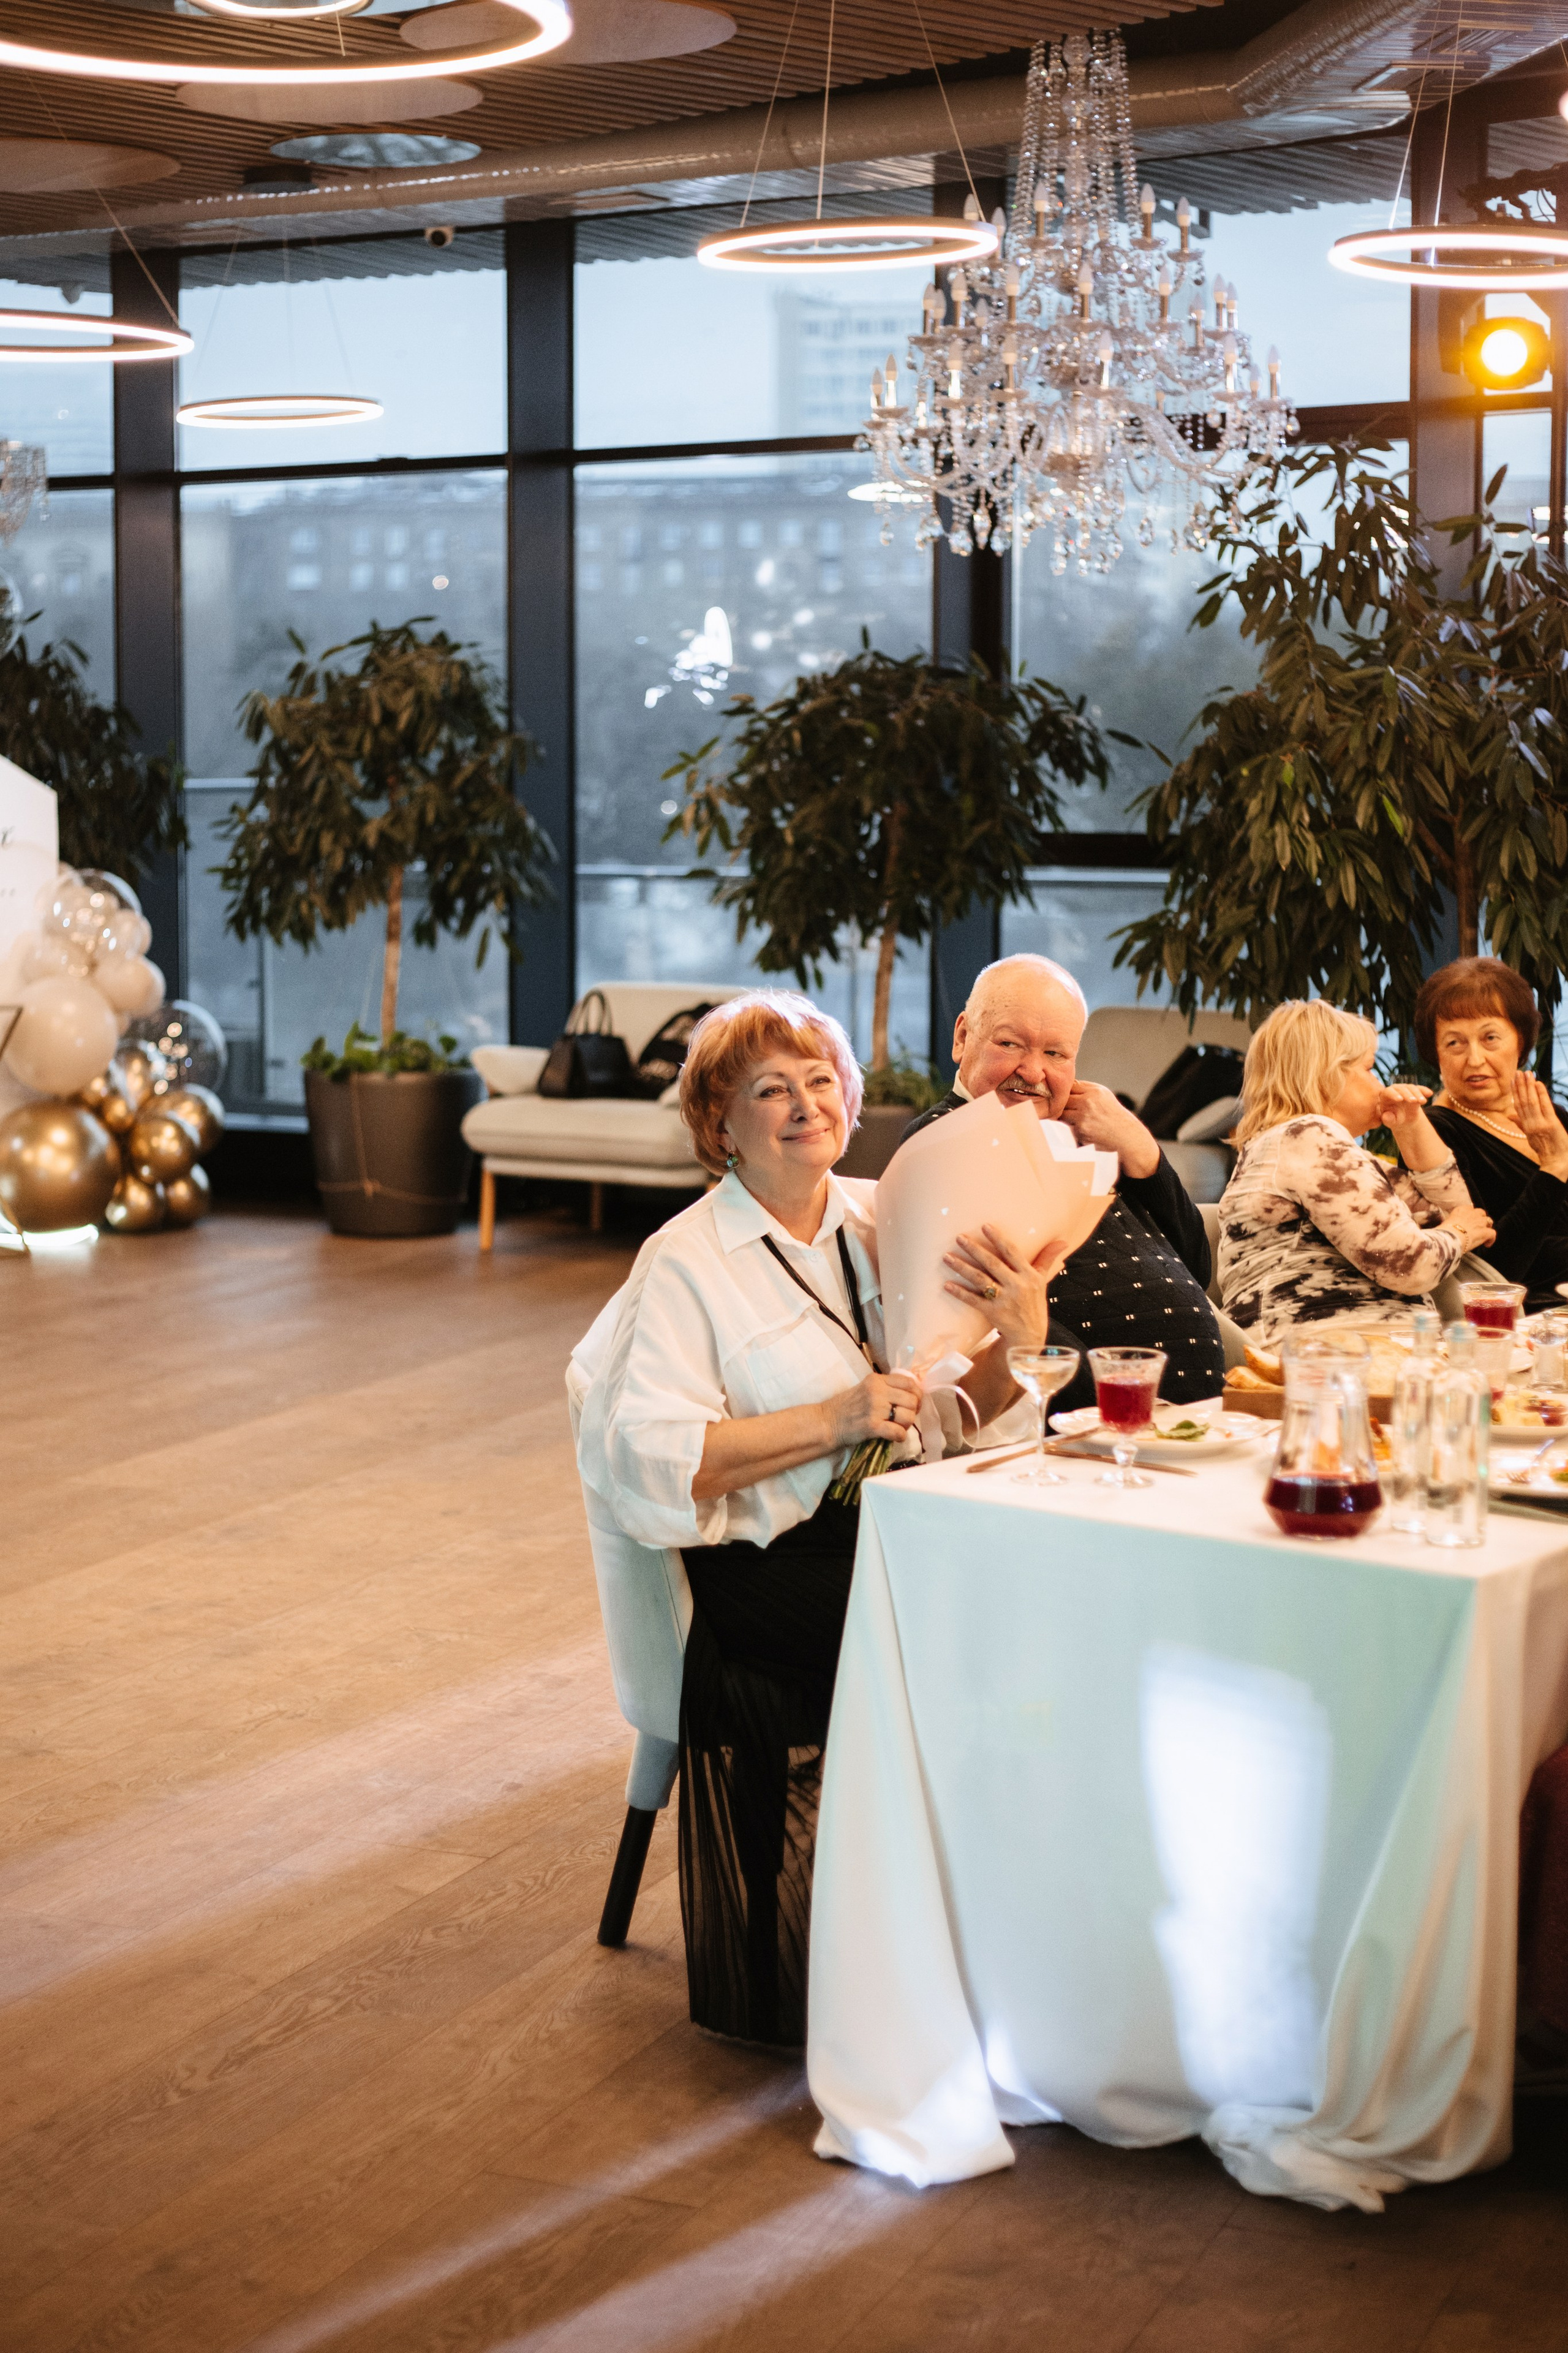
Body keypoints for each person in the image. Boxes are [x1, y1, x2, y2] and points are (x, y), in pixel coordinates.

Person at [572, 991, 1063, 2047]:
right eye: (771, 1090)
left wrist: (1022, 1335)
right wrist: (833, 1419)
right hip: (762, 1565)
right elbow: (648, 1459)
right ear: (721, 1124)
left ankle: (994, 1942)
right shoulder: (686, 1261)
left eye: (820, 1081)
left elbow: (946, 1411)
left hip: (883, 1524)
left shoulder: (880, 1218)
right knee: (979, 1650)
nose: (807, 1104)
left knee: (1049, 1600)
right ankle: (932, 1956)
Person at [900, 954, 1226, 1413]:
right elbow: (1007, 1315)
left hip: (1190, 1424)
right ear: (962, 1038)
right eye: (1011, 1044)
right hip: (1102, 1426)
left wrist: (1143, 1152)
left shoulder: (1090, 1134)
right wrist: (1124, 1407)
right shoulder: (943, 1140)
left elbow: (1197, 1266)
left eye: (1055, 1054)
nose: (1034, 1072)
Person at [1216, 999, 1494, 1345]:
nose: (1380, 1085)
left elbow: (1453, 1214)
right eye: (1369, 1069)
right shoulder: (1307, 1136)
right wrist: (1460, 1233)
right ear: (1325, 1074)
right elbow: (1410, 1265)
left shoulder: (1305, 1147)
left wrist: (1411, 1126)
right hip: (1326, 1351)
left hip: (1365, 1345)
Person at [1416, 956, 1568, 1312]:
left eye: (1490, 1038)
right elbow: (1489, 1272)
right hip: (1528, 1318)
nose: (1474, 1059)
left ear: (1520, 1041)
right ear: (1435, 1053)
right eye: (1455, 1043)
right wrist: (1554, 1167)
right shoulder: (1434, 1132)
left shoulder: (1552, 1116)